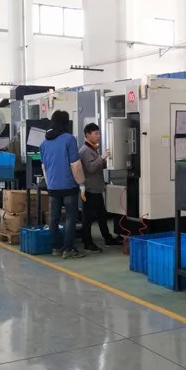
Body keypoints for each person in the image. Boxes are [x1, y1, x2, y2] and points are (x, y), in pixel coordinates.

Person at [40, 110, 86, 259]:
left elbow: (44, 167)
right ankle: (68, 249)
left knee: (54, 217)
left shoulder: (44, 143)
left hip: (53, 186)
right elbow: (75, 164)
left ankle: (56, 247)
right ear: (66, 123)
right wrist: (81, 183)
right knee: (71, 217)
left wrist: (50, 184)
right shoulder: (69, 139)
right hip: (68, 185)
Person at [78, 123, 123, 253]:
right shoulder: (85, 151)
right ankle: (87, 242)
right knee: (88, 218)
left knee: (102, 215)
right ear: (87, 135)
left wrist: (107, 161)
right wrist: (102, 157)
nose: (98, 136)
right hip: (90, 189)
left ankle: (107, 238)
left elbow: (97, 166)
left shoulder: (93, 149)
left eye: (99, 133)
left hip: (96, 189)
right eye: (95, 133)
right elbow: (91, 168)